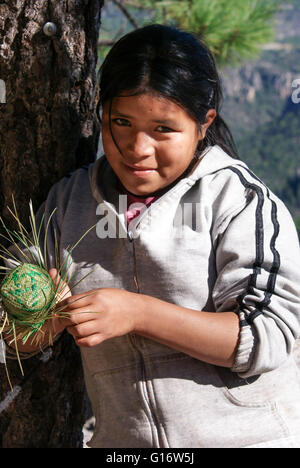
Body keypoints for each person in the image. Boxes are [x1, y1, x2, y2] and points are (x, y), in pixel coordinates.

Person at [4, 24, 300, 448]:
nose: (138, 147)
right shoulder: (68, 203)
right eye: (120, 122)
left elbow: (263, 338)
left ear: (203, 125)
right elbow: (15, 335)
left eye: (163, 129)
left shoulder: (239, 201)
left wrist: (138, 313)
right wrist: (42, 322)